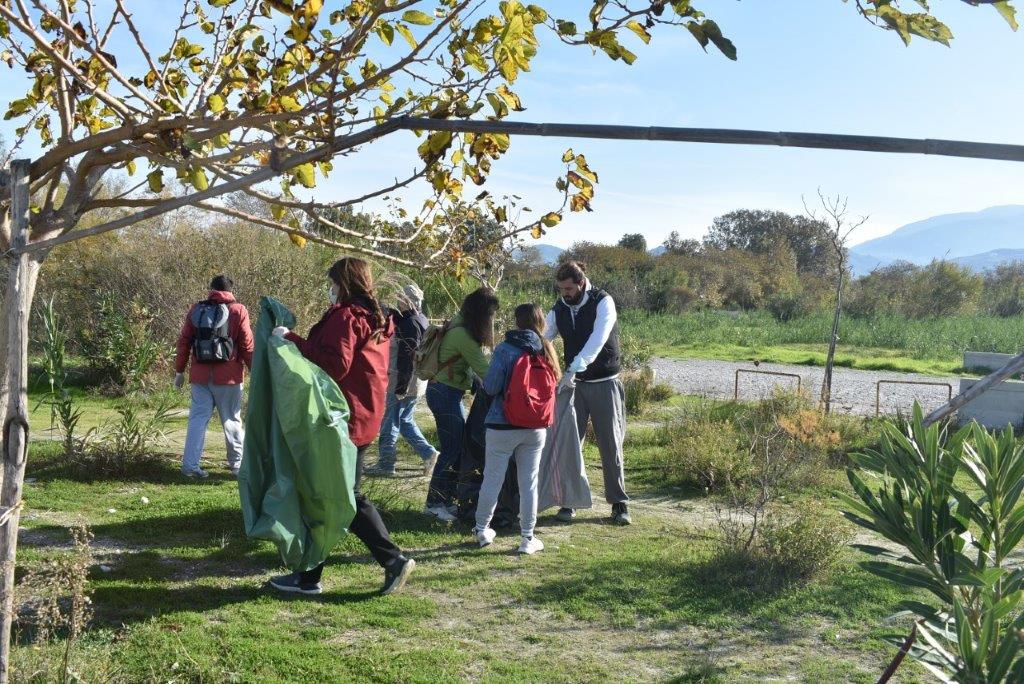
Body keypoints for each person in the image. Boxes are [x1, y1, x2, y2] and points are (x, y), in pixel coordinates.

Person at [267, 257, 415, 596]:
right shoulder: (376, 318)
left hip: (342, 418)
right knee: (330, 494)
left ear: (343, 283)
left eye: (333, 282)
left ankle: (392, 560)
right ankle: (308, 577)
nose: (330, 288)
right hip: (363, 414)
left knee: (339, 496)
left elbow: (334, 363)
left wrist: (292, 339)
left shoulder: (348, 317)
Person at [544, 261, 631, 525]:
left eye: (568, 288)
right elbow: (544, 336)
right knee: (570, 443)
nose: (564, 294)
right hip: (575, 386)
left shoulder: (603, 301)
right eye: (561, 289)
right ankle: (569, 501)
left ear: (581, 283)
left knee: (610, 444)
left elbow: (599, 337)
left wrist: (574, 368)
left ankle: (619, 503)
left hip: (605, 381)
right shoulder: (559, 307)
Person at [474, 304, 560, 555]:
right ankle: (527, 538)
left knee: (492, 478)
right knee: (529, 483)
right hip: (535, 426)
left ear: (517, 322)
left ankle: (481, 529)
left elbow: (490, 388)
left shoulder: (504, 348)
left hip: (502, 424)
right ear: (541, 322)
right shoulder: (547, 348)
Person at [424, 287, 498, 522]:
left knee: (454, 446)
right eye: (491, 315)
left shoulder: (458, 322)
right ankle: (434, 503)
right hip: (445, 394)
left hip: (445, 392)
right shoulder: (464, 336)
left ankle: (445, 500)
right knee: (451, 449)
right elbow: (485, 371)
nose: (492, 320)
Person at [174, 275, 254, 478]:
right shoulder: (238, 310)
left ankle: (190, 467)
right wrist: (255, 370)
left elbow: (184, 342)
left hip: (200, 376)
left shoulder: (196, 309)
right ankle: (238, 466)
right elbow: (247, 345)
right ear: (231, 290)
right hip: (229, 377)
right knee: (232, 420)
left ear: (211, 289)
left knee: (197, 420)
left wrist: (179, 371)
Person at [365, 283, 440, 477]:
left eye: (401, 299)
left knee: (390, 423)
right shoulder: (419, 319)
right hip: (415, 382)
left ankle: (386, 464)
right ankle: (430, 454)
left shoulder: (410, 324)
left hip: (404, 381)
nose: (398, 301)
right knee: (405, 421)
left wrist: (400, 387)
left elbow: (408, 357)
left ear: (408, 301)